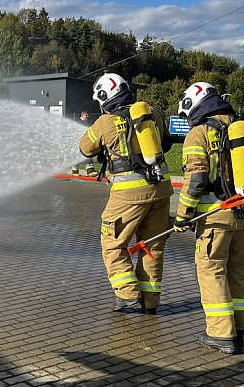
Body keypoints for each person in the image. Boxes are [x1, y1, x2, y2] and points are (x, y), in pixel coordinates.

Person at [173, 81, 244, 354]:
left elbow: (197, 181)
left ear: (195, 106)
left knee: (212, 272)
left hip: (216, 217)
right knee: (238, 270)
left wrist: (182, 215)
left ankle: (221, 335)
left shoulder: (198, 134)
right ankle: (238, 329)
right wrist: (243, 153)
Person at [78, 73, 173, 315]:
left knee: (112, 244)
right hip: (161, 189)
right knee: (152, 246)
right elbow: (166, 141)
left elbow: (86, 148)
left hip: (128, 194)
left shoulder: (105, 121)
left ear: (103, 96)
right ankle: (150, 302)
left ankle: (128, 295)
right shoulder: (152, 112)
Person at [70, 111, 98, 177]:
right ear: (82, 115)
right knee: (83, 155)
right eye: (86, 115)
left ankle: (88, 171)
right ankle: (78, 171)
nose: (88, 116)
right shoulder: (78, 122)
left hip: (84, 142)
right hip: (78, 142)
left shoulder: (86, 123)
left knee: (86, 154)